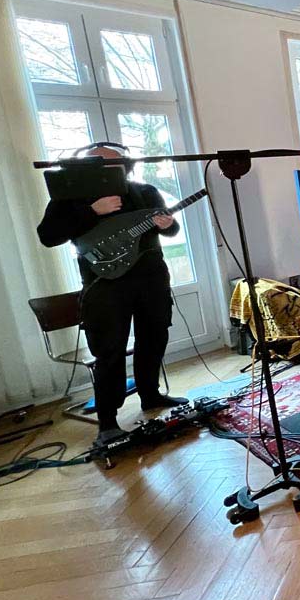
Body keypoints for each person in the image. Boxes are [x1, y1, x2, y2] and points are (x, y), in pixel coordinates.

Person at [37, 144, 188, 445]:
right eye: (101, 164)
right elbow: (48, 236)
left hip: (150, 281)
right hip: (103, 287)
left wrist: (168, 225)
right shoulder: (69, 198)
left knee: (154, 337)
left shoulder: (145, 192)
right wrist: (91, 211)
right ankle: (108, 421)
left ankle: (151, 395)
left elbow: (170, 231)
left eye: (116, 164)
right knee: (109, 351)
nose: (110, 170)